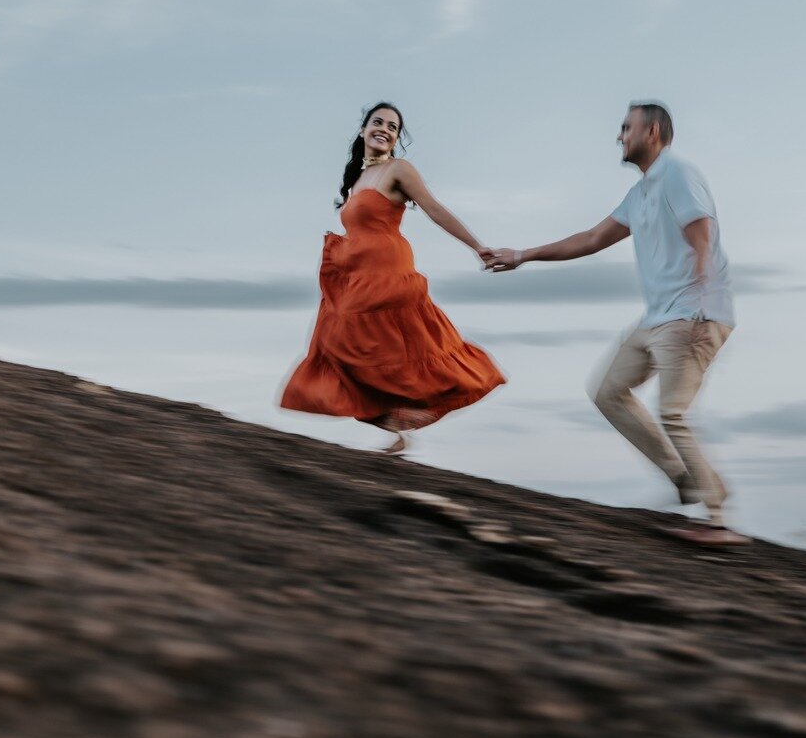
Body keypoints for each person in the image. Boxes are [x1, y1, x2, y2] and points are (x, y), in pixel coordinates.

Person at [483, 102, 748, 546]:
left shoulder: (679, 173)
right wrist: (523, 255)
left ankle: (718, 518)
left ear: (654, 132)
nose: (620, 135)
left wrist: (701, 307)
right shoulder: (641, 192)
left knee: (673, 411)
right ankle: (684, 477)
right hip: (658, 318)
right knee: (607, 390)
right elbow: (590, 239)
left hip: (693, 314)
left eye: (627, 127)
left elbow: (702, 234)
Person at [280, 101, 505, 455]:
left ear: (397, 138)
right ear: (363, 130)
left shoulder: (399, 169)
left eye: (393, 127)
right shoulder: (356, 180)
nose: (384, 129)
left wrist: (477, 245)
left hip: (388, 271)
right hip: (358, 275)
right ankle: (397, 422)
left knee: (390, 345)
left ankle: (411, 411)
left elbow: (434, 209)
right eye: (378, 122)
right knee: (342, 344)